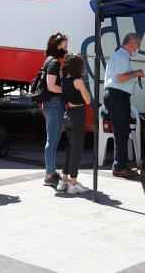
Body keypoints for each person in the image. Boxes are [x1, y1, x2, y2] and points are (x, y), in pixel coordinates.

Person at [103, 33, 144, 178]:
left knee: (122, 132)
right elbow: (120, 78)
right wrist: (136, 73)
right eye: (138, 46)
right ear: (132, 44)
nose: (138, 49)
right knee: (121, 132)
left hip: (117, 96)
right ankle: (120, 167)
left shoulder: (121, 56)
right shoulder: (121, 56)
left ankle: (119, 165)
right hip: (117, 95)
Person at [57, 53, 92, 194]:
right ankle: (73, 183)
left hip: (68, 114)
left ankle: (63, 181)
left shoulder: (63, 80)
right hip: (78, 115)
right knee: (76, 151)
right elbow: (88, 100)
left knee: (71, 149)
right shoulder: (78, 81)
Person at [41, 32, 68, 187]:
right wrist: (67, 90)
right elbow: (51, 86)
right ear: (58, 46)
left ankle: (50, 172)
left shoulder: (49, 60)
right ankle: (49, 174)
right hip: (54, 103)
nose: (66, 49)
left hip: (53, 103)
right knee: (52, 140)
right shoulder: (54, 63)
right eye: (64, 46)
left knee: (54, 139)